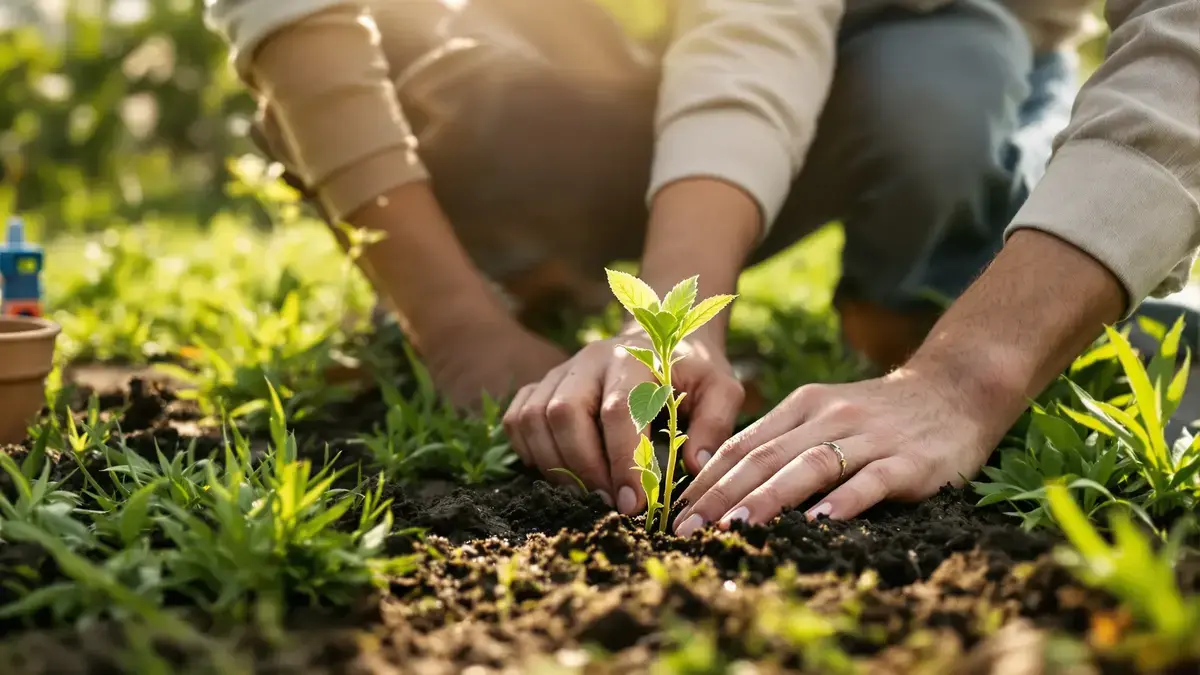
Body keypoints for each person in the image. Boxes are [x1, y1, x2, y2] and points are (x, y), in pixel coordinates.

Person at [205, 2, 1194, 522]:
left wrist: (965, 377)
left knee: (945, 82)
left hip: (943, 59)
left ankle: (917, 294)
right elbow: (755, 33)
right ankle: (521, 272)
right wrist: (671, 328)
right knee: (460, 60)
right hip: (645, 68)